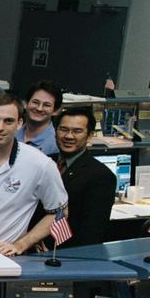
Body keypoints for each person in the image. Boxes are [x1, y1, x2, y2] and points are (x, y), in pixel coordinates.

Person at [0, 92, 67, 256]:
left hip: (8, 257)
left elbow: (60, 212)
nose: (0, 127)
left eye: (8, 121)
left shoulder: (40, 163)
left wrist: (21, 244)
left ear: (20, 123)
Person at [50, 105, 116, 247]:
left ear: (90, 135)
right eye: (64, 129)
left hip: (66, 256)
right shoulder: (45, 162)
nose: (68, 136)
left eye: (77, 131)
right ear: (55, 131)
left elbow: (92, 232)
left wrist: (53, 252)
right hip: (32, 247)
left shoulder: (101, 176)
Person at [18, 80, 61, 155]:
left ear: (56, 111)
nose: (39, 109)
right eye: (35, 102)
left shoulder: (57, 144)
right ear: (25, 104)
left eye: (47, 105)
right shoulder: (11, 135)